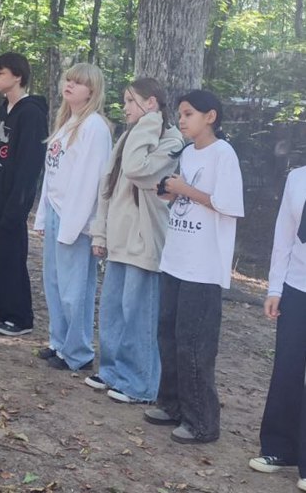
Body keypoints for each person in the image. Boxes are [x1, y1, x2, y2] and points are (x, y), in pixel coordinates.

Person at [148, 89, 244, 444]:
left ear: (211, 117)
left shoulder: (224, 154)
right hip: (176, 257)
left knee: (194, 344)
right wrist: (171, 192)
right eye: (180, 114)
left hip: (202, 267)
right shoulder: (188, 153)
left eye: (189, 113)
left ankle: (202, 421)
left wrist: (184, 189)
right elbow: (185, 195)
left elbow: (227, 205)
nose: (182, 120)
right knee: (168, 335)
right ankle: (171, 404)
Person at [85, 79, 183, 403]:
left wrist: (151, 122)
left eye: (131, 101)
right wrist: (100, 233)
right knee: (113, 310)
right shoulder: (128, 137)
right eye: (125, 100)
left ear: (151, 103)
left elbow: (138, 171)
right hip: (118, 240)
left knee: (138, 312)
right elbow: (107, 187)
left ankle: (140, 383)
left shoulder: (170, 139)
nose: (125, 107)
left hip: (145, 242)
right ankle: (112, 371)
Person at [31, 63, 112, 367]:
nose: (69, 86)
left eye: (78, 83)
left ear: (92, 90)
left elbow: (92, 181)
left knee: (74, 286)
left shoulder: (95, 127)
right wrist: (43, 215)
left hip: (75, 217)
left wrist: (76, 224)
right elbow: (52, 174)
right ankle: (58, 340)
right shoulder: (67, 123)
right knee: (53, 282)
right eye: (68, 80)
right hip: (55, 209)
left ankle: (77, 352)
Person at [0, 53, 47, 335]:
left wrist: (17, 206)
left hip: (10, 201)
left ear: (17, 76)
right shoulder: (1, 110)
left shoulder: (31, 114)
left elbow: (29, 165)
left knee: (9, 258)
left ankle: (19, 316)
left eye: (0, 73)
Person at [248, 165, 306, 490]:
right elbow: (284, 235)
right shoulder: (297, 179)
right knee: (287, 366)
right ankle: (278, 448)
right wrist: (275, 289)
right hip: (297, 286)